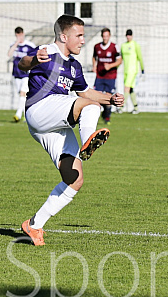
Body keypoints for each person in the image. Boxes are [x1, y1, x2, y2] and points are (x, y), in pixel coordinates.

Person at [18, 14, 124, 246]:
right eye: (79, 35)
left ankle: (34, 225)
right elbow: (22, 64)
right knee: (89, 107)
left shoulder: (74, 66)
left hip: (52, 125)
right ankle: (88, 139)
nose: (83, 40)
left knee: (74, 179)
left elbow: (86, 93)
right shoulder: (47, 51)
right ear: (64, 36)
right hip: (40, 109)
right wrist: (35, 59)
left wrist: (111, 98)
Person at [92, 27, 122, 124]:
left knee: (109, 97)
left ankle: (107, 117)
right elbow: (94, 57)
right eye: (104, 36)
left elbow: (119, 61)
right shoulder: (97, 46)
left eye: (107, 36)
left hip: (110, 76)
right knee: (96, 98)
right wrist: (94, 66)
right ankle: (94, 118)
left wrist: (110, 66)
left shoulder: (114, 47)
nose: (105, 38)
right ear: (101, 36)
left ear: (109, 36)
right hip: (99, 76)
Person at [7, 26, 36, 122]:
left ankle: (18, 114)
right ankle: (25, 114)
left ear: (23, 34)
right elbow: (9, 54)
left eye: (20, 35)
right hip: (16, 74)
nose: (19, 37)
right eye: (17, 35)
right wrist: (16, 43)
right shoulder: (14, 45)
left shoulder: (30, 45)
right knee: (21, 95)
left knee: (23, 93)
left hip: (26, 74)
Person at [121, 29, 144, 115]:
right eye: (127, 35)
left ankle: (121, 107)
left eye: (130, 35)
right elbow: (121, 59)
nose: (128, 37)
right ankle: (136, 107)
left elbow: (140, 57)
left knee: (126, 88)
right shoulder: (123, 46)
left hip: (133, 70)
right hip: (126, 71)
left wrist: (142, 69)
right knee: (130, 90)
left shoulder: (135, 45)